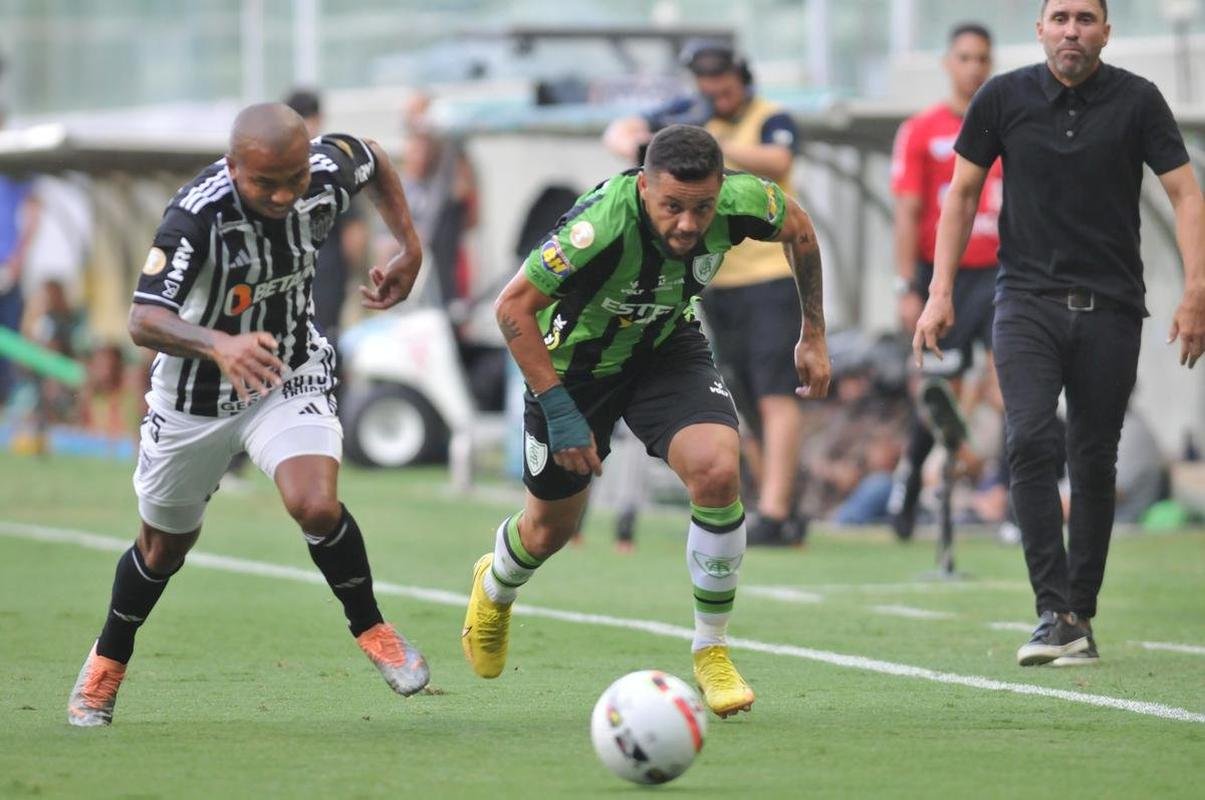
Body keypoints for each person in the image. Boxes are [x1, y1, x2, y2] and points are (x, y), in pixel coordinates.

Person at [67, 103, 428, 727]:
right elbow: (142, 319)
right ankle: (107, 660)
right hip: (193, 398)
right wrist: (219, 343)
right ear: (234, 168)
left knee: (315, 503)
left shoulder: (320, 172)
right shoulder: (195, 216)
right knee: (162, 549)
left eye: (295, 178)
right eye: (268, 183)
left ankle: (372, 628)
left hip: (285, 373)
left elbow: (373, 156)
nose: (287, 195)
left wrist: (409, 246)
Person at [460, 124, 831, 717]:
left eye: (702, 207)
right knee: (549, 530)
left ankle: (711, 650)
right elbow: (512, 308)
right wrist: (558, 408)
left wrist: (812, 332)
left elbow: (802, 231)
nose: (688, 224)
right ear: (644, 186)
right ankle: (496, 584)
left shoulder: (743, 200)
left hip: (664, 347)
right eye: (672, 207)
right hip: (571, 368)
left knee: (716, 469)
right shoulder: (597, 227)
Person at [914, 0, 1205, 667]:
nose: (1071, 29)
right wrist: (937, 293)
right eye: (1059, 17)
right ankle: (1052, 609)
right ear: (1039, 28)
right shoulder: (1001, 97)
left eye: (1084, 17)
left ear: (1105, 30)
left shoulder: (1138, 101)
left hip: (1111, 307)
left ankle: (1080, 612)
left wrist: (1193, 292)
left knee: (1093, 456)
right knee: (1028, 437)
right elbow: (958, 196)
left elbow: (1185, 195)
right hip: (1024, 302)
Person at [604, 41, 808, 547]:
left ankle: (778, 510)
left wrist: (703, 147)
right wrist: (653, 145)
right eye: (707, 87)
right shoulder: (689, 114)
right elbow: (620, 132)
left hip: (770, 278)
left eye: (724, 87)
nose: (716, 95)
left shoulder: (768, 116)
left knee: (777, 392)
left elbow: (778, 160)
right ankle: (768, 502)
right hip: (715, 279)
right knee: (741, 398)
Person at [888, 23, 1002, 541]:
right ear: (947, 63)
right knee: (943, 393)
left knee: (1016, 387)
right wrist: (907, 285)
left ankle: (1012, 498)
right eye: (964, 57)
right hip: (943, 276)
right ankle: (911, 480)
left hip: (1004, 274)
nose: (974, 67)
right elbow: (907, 211)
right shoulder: (921, 129)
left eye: (982, 58)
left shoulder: (1010, 123)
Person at [0, 103, 42, 406]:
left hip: (7, 268)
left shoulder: (14, 163)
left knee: (9, 339)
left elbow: (32, 209)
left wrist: (17, 260)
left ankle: (4, 400)